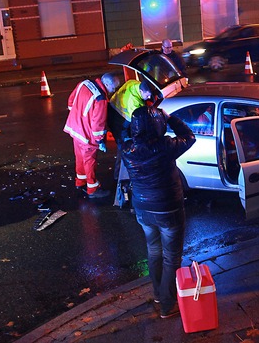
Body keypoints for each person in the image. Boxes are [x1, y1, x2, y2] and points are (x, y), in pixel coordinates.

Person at [121, 105, 196, 319]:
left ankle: (157, 294)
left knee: (154, 251)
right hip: (168, 208)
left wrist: (130, 122)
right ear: (159, 125)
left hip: (143, 208)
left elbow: (122, 135)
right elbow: (189, 136)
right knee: (171, 257)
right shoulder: (166, 146)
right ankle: (166, 304)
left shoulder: (127, 148)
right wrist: (171, 118)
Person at [63, 73, 121, 199]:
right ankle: (92, 188)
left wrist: (79, 117)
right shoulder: (101, 99)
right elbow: (98, 124)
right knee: (90, 161)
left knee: (79, 157)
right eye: (113, 88)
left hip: (74, 128)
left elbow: (71, 101)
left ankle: (80, 182)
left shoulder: (84, 83)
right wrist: (100, 141)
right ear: (106, 84)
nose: (113, 91)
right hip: (86, 135)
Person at [108, 79, 154, 144]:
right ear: (141, 91)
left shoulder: (134, 82)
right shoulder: (134, 103)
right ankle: (123, 150)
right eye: (147, 96)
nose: (149, 97)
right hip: (120, 116)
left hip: (113, 105)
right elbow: (137, 121)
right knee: (122, 138)